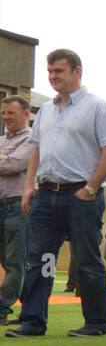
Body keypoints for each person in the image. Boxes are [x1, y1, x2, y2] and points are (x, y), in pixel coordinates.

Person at [7, 49, 106, 338]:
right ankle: (32, 322)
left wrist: (91, 188)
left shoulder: (97, 107)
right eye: (49, 72)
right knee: (40, 261)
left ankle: (96, 323)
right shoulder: (45, 110)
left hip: (81, 197)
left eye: (59, 71)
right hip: (45, 196)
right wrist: (28, 187)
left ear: (77, 71)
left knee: (86, 259)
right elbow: (37, 149)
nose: (53, 77)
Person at [0, 95, 34, 326]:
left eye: (11, 113)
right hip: (3, 206)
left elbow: (13, 165)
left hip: (17, 205)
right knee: (9, 260)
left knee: (15, 260)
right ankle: (31, 308)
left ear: (25, 114)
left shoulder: (33, 139)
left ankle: (2, 308)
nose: (6, 117)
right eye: (3, 113)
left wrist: (7, 160)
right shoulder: (2, 140)